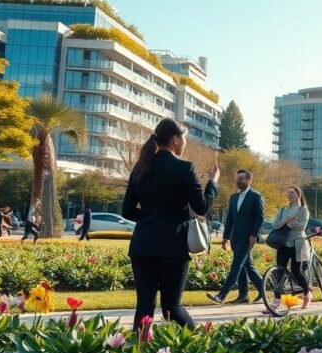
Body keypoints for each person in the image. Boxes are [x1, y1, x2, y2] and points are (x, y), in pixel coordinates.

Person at [124, 119, 218, 329]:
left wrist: (152, 218)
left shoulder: (141, 168)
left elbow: (127, 211)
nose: (185, 142)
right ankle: (199, 346)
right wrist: (213, 183)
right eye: (184, 138)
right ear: (175, 139)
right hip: (172, 247)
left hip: (142, 246)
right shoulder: (184, 168)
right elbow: (202, 207)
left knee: (144, 307)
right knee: (172, 306)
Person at [207, 169, 266, 305]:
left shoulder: (256, 196)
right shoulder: (233, 198)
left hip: (248, 238)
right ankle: (246, 294)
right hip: (235, 238)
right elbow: (230, 220)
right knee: (247, 266)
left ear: (249, 180)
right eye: (237, 178)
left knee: (237, 265)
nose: (238, 181)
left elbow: (260, 218)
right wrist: (226, 238)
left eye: (241, 179)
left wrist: (254, 235)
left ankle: (221, 295)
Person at [269, 186, 311, 309]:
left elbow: (301, 226)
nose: (290, 194)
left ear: (299, 194)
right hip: (284, 243)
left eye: (292, 192)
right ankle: (275, 302)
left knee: (296, 271)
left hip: (297, 244)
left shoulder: (303, 209)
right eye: (288, 193)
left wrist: (289, 223)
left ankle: (307, 293)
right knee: (279, 271)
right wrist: (288, 220)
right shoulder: (283, 210)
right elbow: (275, 225)